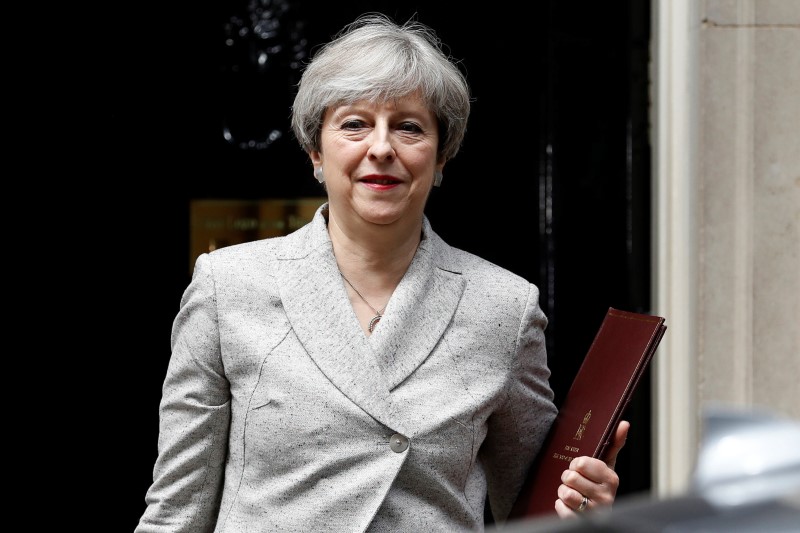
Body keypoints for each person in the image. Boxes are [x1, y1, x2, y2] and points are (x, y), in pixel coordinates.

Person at [135, 12, 630, 532]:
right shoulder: (228, 285)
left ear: (442, 157)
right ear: (315, 151)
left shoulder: (503, 308)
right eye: (354, 124)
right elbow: (177, 509)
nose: (381, 147)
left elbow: (535, 515)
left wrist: (584, 510)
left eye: (409, 127)